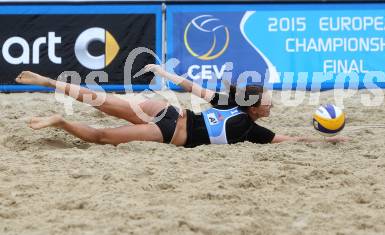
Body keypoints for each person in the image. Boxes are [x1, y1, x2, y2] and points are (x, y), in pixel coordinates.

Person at [15, 67, 349, 147]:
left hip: (168, 112)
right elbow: (288, 140)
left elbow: (193, 87)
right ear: (254, 106)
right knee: (102, 136)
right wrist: (327, 140)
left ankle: (51, 87)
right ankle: (58, 117)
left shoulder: (238, 111)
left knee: (104, 103)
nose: (271, 104)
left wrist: (165, 73)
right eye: (267, 102)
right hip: (169, 127)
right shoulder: (250, 129)